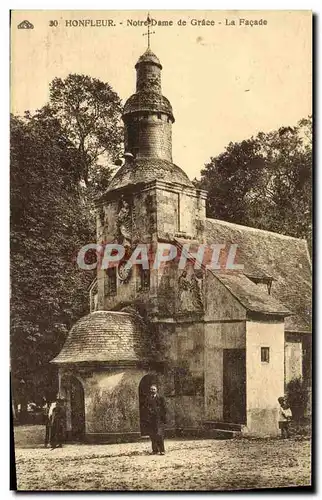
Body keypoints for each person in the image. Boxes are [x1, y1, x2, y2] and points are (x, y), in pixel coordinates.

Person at [146, 384, 167, 455]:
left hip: (159, 419)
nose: (152, 391)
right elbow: (146, 408)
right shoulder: (148, 398)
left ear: (156, 390)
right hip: (151, 420)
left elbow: (164, 408)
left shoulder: (160, 398)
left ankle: (162, 450)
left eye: (154, 389)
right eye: (151, 389)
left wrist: (162, 417)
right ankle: (155, 450)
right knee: (152, 435)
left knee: (159, 435)